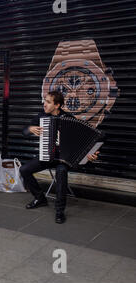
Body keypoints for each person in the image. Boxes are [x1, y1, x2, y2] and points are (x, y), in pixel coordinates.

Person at [20, 91, 99, 224]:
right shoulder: (41, 117)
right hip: (47, 155)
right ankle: (40, 198)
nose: (44, 104)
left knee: (61, 171)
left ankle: (59, 210)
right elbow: (24, 131)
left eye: (48, 102)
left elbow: (82, 142)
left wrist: (89, 154)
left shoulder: (69, 119)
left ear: (57, 105)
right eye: (44, 101)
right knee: (24, 170)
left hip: (64, 159)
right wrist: (30, 129)